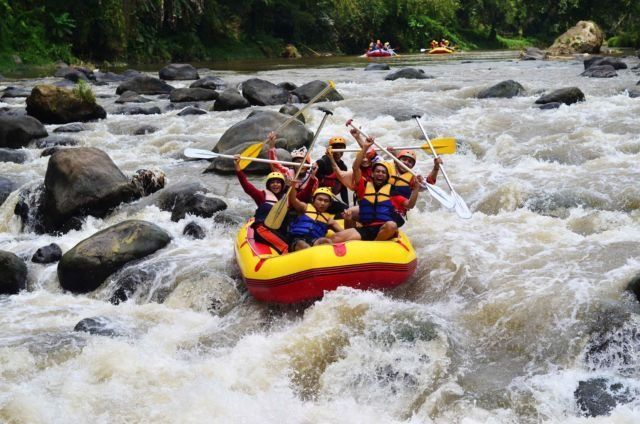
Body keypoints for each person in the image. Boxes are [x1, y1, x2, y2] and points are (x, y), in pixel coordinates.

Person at [332, 138, 424, 242]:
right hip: (366, 227)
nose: (380, 174)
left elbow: (409, 205)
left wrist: (416, 189)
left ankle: (375, 243)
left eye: (383, 172)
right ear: (372, 174)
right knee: (336, 237)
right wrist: (365, 147)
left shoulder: (391, 191)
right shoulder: (364, 185)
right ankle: (352, 243)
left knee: (392, 225)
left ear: (387, 176)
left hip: (382, 227)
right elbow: (355, 168)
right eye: (377, 171)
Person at [234, 156, 290, 254]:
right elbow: (247, 186)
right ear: (268, 185)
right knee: (286, 248)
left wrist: (312, 178)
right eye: (272, 182)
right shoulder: (261, 196)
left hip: (279, 231)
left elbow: (303, 196)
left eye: (278, 182)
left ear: (282, 185)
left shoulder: (288, 197)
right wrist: (238, 167)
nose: (275, 185)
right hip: (263, 230)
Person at [286, 185, 344, 252]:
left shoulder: (328, 219)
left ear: (330, 204)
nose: (322, 203)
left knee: (326, 241)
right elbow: (292, 199)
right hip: (296, 239)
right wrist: (293, 185)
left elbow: (343, 233)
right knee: (303, 245)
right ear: (313, 199)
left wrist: (348, 219)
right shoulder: (305, 207)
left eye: (326, 201)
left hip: (314, 241)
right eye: (320, 199)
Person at [266, 131, 317, 201]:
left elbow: (314, 196)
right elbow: (275, 163)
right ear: (293, 165)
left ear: (308, 166)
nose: (300, 165)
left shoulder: (313, 178)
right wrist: (271, 146)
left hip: (303, 203)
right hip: (288, 201)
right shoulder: (288, 172)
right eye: (297, 162)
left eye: (303, 162)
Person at [315, 136, 350, 207]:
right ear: (331, 149)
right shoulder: (322, 162)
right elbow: (314, 182)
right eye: (336, 147)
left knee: (344, 208)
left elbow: (343, 187)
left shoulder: (343, 166)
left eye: (341, 148)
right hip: (319, 197)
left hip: (331, 197)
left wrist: (346, 205)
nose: (338, 150)